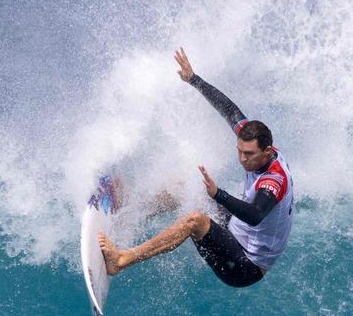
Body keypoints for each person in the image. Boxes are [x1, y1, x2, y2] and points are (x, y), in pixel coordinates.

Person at [98, 48, 294, 288]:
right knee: (184, 186)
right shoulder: (257, 142)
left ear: (266, 151)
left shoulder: (274, 180)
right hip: (236, 229)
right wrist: (193, 79)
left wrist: (218, 195)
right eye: (239, 150)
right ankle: (131, 207)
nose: (242, 158)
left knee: (195, 221)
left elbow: (255, 215)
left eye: (249, 154)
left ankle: (121, 260)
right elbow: (229, 110)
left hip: (245, 265)